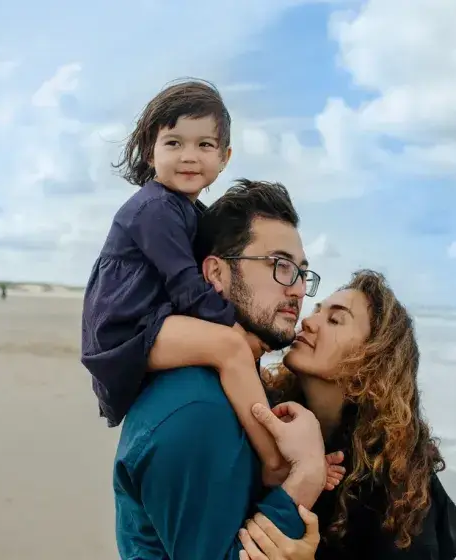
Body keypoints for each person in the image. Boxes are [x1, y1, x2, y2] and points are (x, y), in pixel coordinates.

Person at [81, 79, 291, 482]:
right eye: (173, 143)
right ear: (150, 150)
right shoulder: (154, 209)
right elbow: (186, 285)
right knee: (230, 345)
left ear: (225, 156)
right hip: (125, 328)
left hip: (152, 317)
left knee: (240, 342)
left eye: (204, 145)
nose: (189, 157)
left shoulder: (191, 212)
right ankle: (274, 462)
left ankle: (256, 412)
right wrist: (235, 329)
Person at [113, 179, 332, 559]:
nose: (297, 290)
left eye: (301, 273)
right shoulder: (199, 411)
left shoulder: (239, 389)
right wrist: (306, 475)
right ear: (215, 274)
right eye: (280, 266)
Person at [238, 270, 456, 560]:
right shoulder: (269, 414)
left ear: (372, 360)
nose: (307, 320)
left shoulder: (397, 486)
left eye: (335, 320)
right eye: (317, 310)